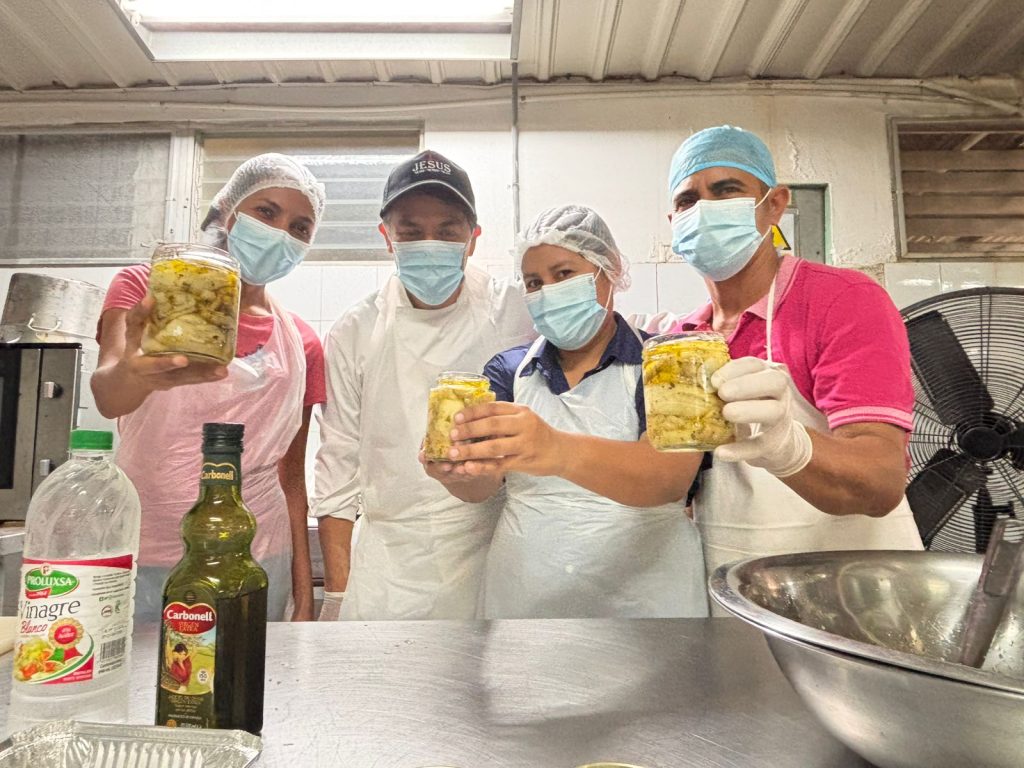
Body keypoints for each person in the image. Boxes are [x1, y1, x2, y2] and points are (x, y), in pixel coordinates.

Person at [662, 124, 923, 584]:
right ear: (673, 223)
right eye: (688, 200)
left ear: (775, 204)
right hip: (735, 589)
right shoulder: (683, 339)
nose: (704, 210)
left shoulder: (841, 300)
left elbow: (882, 482)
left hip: (852, 591)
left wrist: (790, 446)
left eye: (726, 190)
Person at [423, 205, 708, 619]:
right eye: (534, 282)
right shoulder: (509, 371)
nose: (548, 291)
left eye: (564, 274)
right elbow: (483, 487)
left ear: (609, 270)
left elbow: (669, 479)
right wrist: (457, 473)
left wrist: (556, 449)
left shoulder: (670, 363)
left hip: (646, 598)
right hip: (527, 593)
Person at [93, 153, 327, 622]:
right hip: (151, 545)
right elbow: (107, 396)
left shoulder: (302, 342)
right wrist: (134, 375)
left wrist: (304, 595)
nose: (281, 233)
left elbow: (291, 478)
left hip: (260, 552)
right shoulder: (149, 289)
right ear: (227, 212)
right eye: (266, 212)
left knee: (253, 668)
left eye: (299, 227)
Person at [312, 149, 535, 621]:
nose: (429, 244)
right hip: (390, 571)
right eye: (411, 232)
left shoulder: (515, 312)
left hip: (492, 554)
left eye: (448, 231)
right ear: (387, 238)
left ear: (472, 240)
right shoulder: (356, 330)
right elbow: (338, 464)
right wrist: (336, 594)